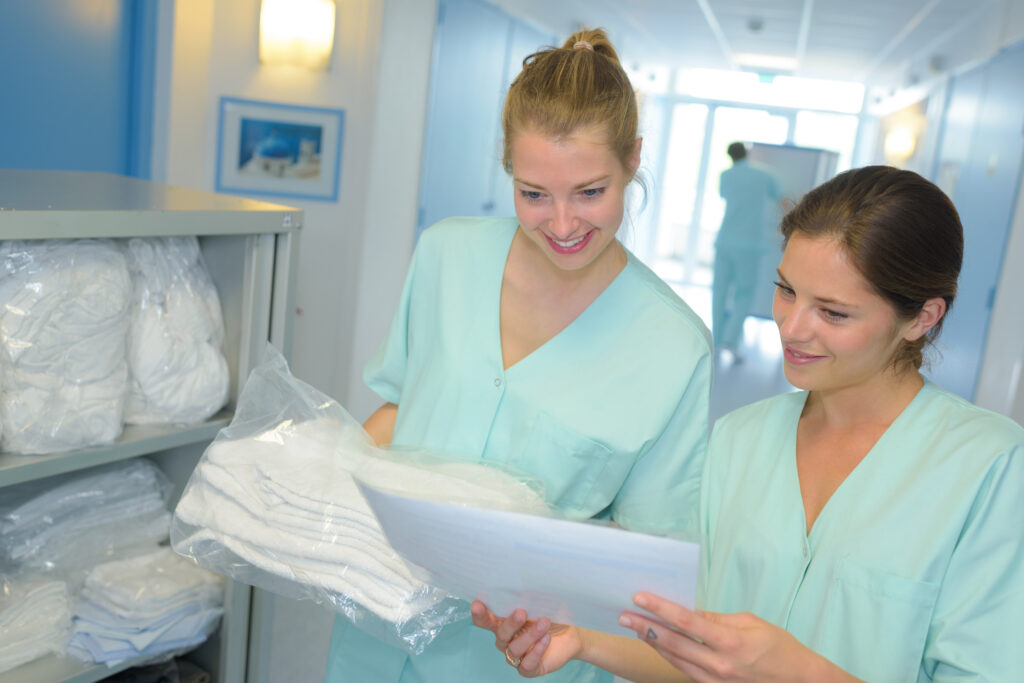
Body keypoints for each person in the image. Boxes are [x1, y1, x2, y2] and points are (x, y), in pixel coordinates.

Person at [473, 165, 1024, 681]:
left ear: (922, 318)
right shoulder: (742, 439)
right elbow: (697, 651)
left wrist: (798, 671)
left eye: (833, 312)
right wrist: (582, 640)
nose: (791, 327)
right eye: (787, 290)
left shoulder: (989, 469)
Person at [323, 28, 713, 683]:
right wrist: (317, 484)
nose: (561, 225)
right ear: (508, 167)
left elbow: (650, 559)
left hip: (525, 659)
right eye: (534, 193)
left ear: (634, 159)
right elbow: (402, 407)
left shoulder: (673, 347)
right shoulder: (446, 255)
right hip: (381, 628)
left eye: (590, 191)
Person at [711, 141, 782, 362]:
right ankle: (730, 342)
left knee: (720, 291)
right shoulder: (763, 175)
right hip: (749, 245)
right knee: (744, 293)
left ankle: (715, 339)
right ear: (747, 153)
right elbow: (779, 197)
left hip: (725, 240)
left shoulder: (725, 175)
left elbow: (724, 197)